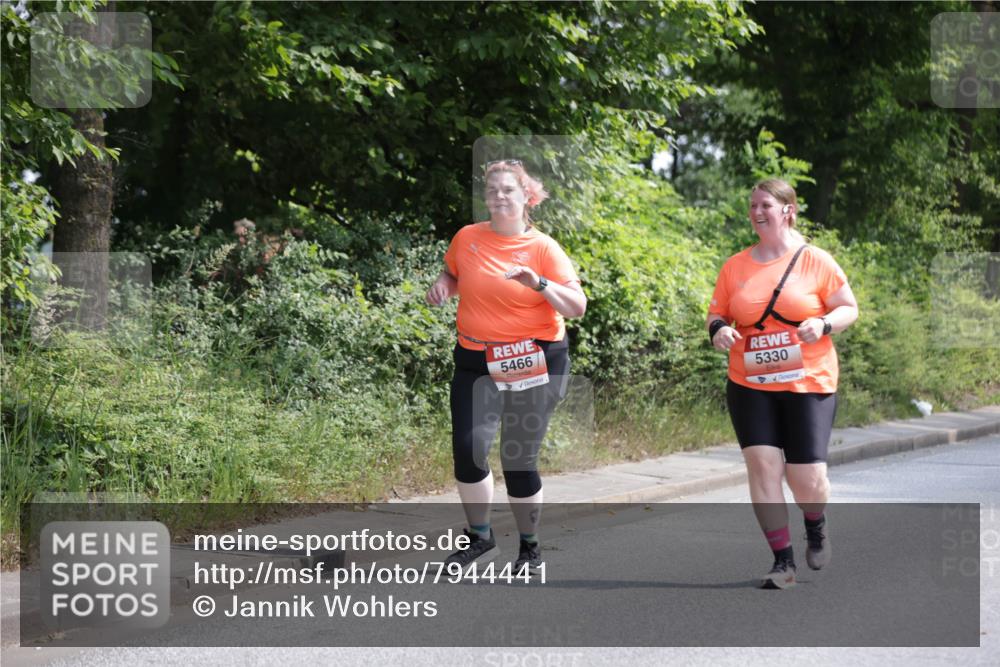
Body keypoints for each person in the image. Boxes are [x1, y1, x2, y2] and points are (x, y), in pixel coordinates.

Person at [426, 160, 586, 573]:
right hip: (475, 359)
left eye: (508, 190)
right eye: (493, 189)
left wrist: (540, 284)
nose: (499, 196)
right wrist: (446, 284)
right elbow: (456, 272)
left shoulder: (544, 248)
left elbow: (577, 306)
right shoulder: (467, 238)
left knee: (518, 459)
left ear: (527, 197)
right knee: (468, 449)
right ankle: (480, 539)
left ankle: (530, 549)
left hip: (534, 361)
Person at [707, 178, 859, 589]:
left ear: (787, 210)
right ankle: (782, 561)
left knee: (806, 478)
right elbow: (716, 314)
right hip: (750, 379)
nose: (756, 213)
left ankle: (815, 522)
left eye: (765, 206)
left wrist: (823, 322)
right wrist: (718, 331)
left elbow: (849, 308)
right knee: (762, 466)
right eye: (752, 206)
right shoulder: (735, 266)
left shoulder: (816, 261)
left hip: (808, 379)